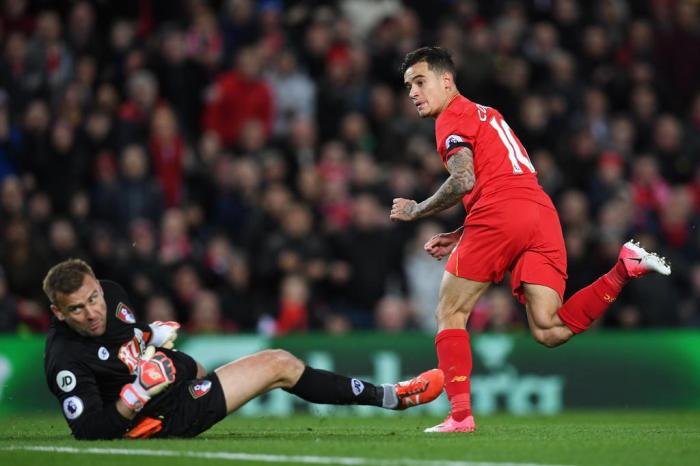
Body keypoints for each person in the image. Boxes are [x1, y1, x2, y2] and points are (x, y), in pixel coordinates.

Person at [390, 47, 671, 433]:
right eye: (408, 87)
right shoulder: (488, 113)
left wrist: (417, 210)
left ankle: (460, 417)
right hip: (539, 211)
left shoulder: (449, 119)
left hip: (501, 213)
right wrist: (461, 232)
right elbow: (502, 178)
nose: (413, 93)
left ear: (446, 80)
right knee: (549, 328)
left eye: (420, 82)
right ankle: (624, 268)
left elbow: (464, 180)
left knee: (450, 313)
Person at [43, 259, 444, 440]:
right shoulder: (65, 358)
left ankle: (389, 396)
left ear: (98, 284)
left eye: (92, 298)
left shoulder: (113, 294)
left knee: (197, 366)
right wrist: (134, 395)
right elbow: (87, 432)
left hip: (165, 380)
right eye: (76, 309)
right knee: (280, 364)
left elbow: (121, 335)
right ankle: (391, 396)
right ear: (58, 314)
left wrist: (148, 334)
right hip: (152, 417)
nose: (92, 312)